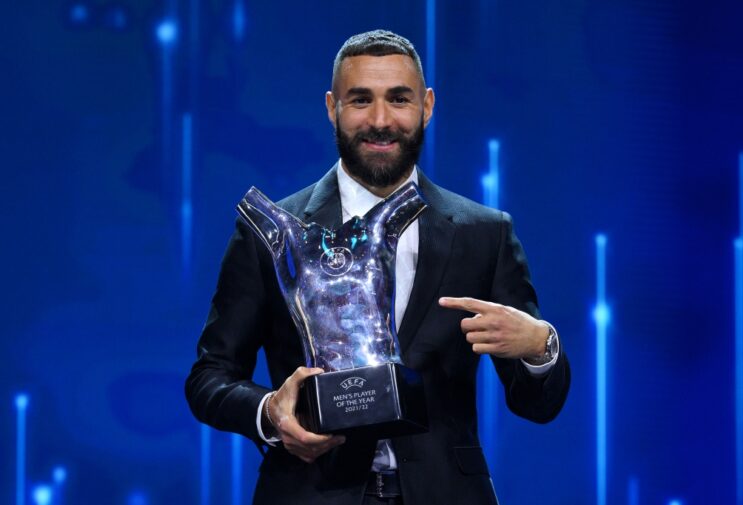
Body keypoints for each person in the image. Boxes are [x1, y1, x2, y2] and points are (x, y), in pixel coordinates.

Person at [185, 29, 570, 505]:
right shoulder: (272, 233)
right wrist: (271, 413)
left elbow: (538, 405)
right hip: (309, 491)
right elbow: (209, 378)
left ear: (427, 106)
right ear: (332, 107)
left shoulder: (483, 234)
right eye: (361, 100)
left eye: (399, 99)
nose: (381, 120)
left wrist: (540, 346)